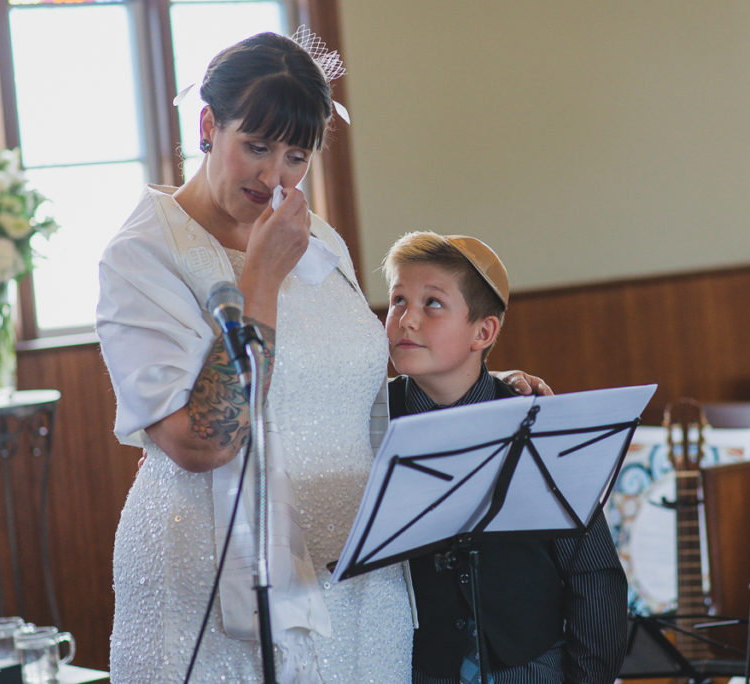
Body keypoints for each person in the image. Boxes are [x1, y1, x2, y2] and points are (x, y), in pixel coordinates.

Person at [96, 30, 545, 682]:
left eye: (295, 157)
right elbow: (200, 442)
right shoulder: (144, 254)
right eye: (256, 146)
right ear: (207, 124)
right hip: (219, 578)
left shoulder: (317, 235)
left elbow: (353, 382)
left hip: (364, 574)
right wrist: (260, 284)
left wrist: (479, 388)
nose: (274, 177)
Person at [382, 231, 629, 684]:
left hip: (530, 666)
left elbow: (593, 572)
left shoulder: (535, 421)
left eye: (432, 303)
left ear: (484, 331)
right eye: (398, 300)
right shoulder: (372, 422)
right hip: (414, 668)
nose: (406, 320)